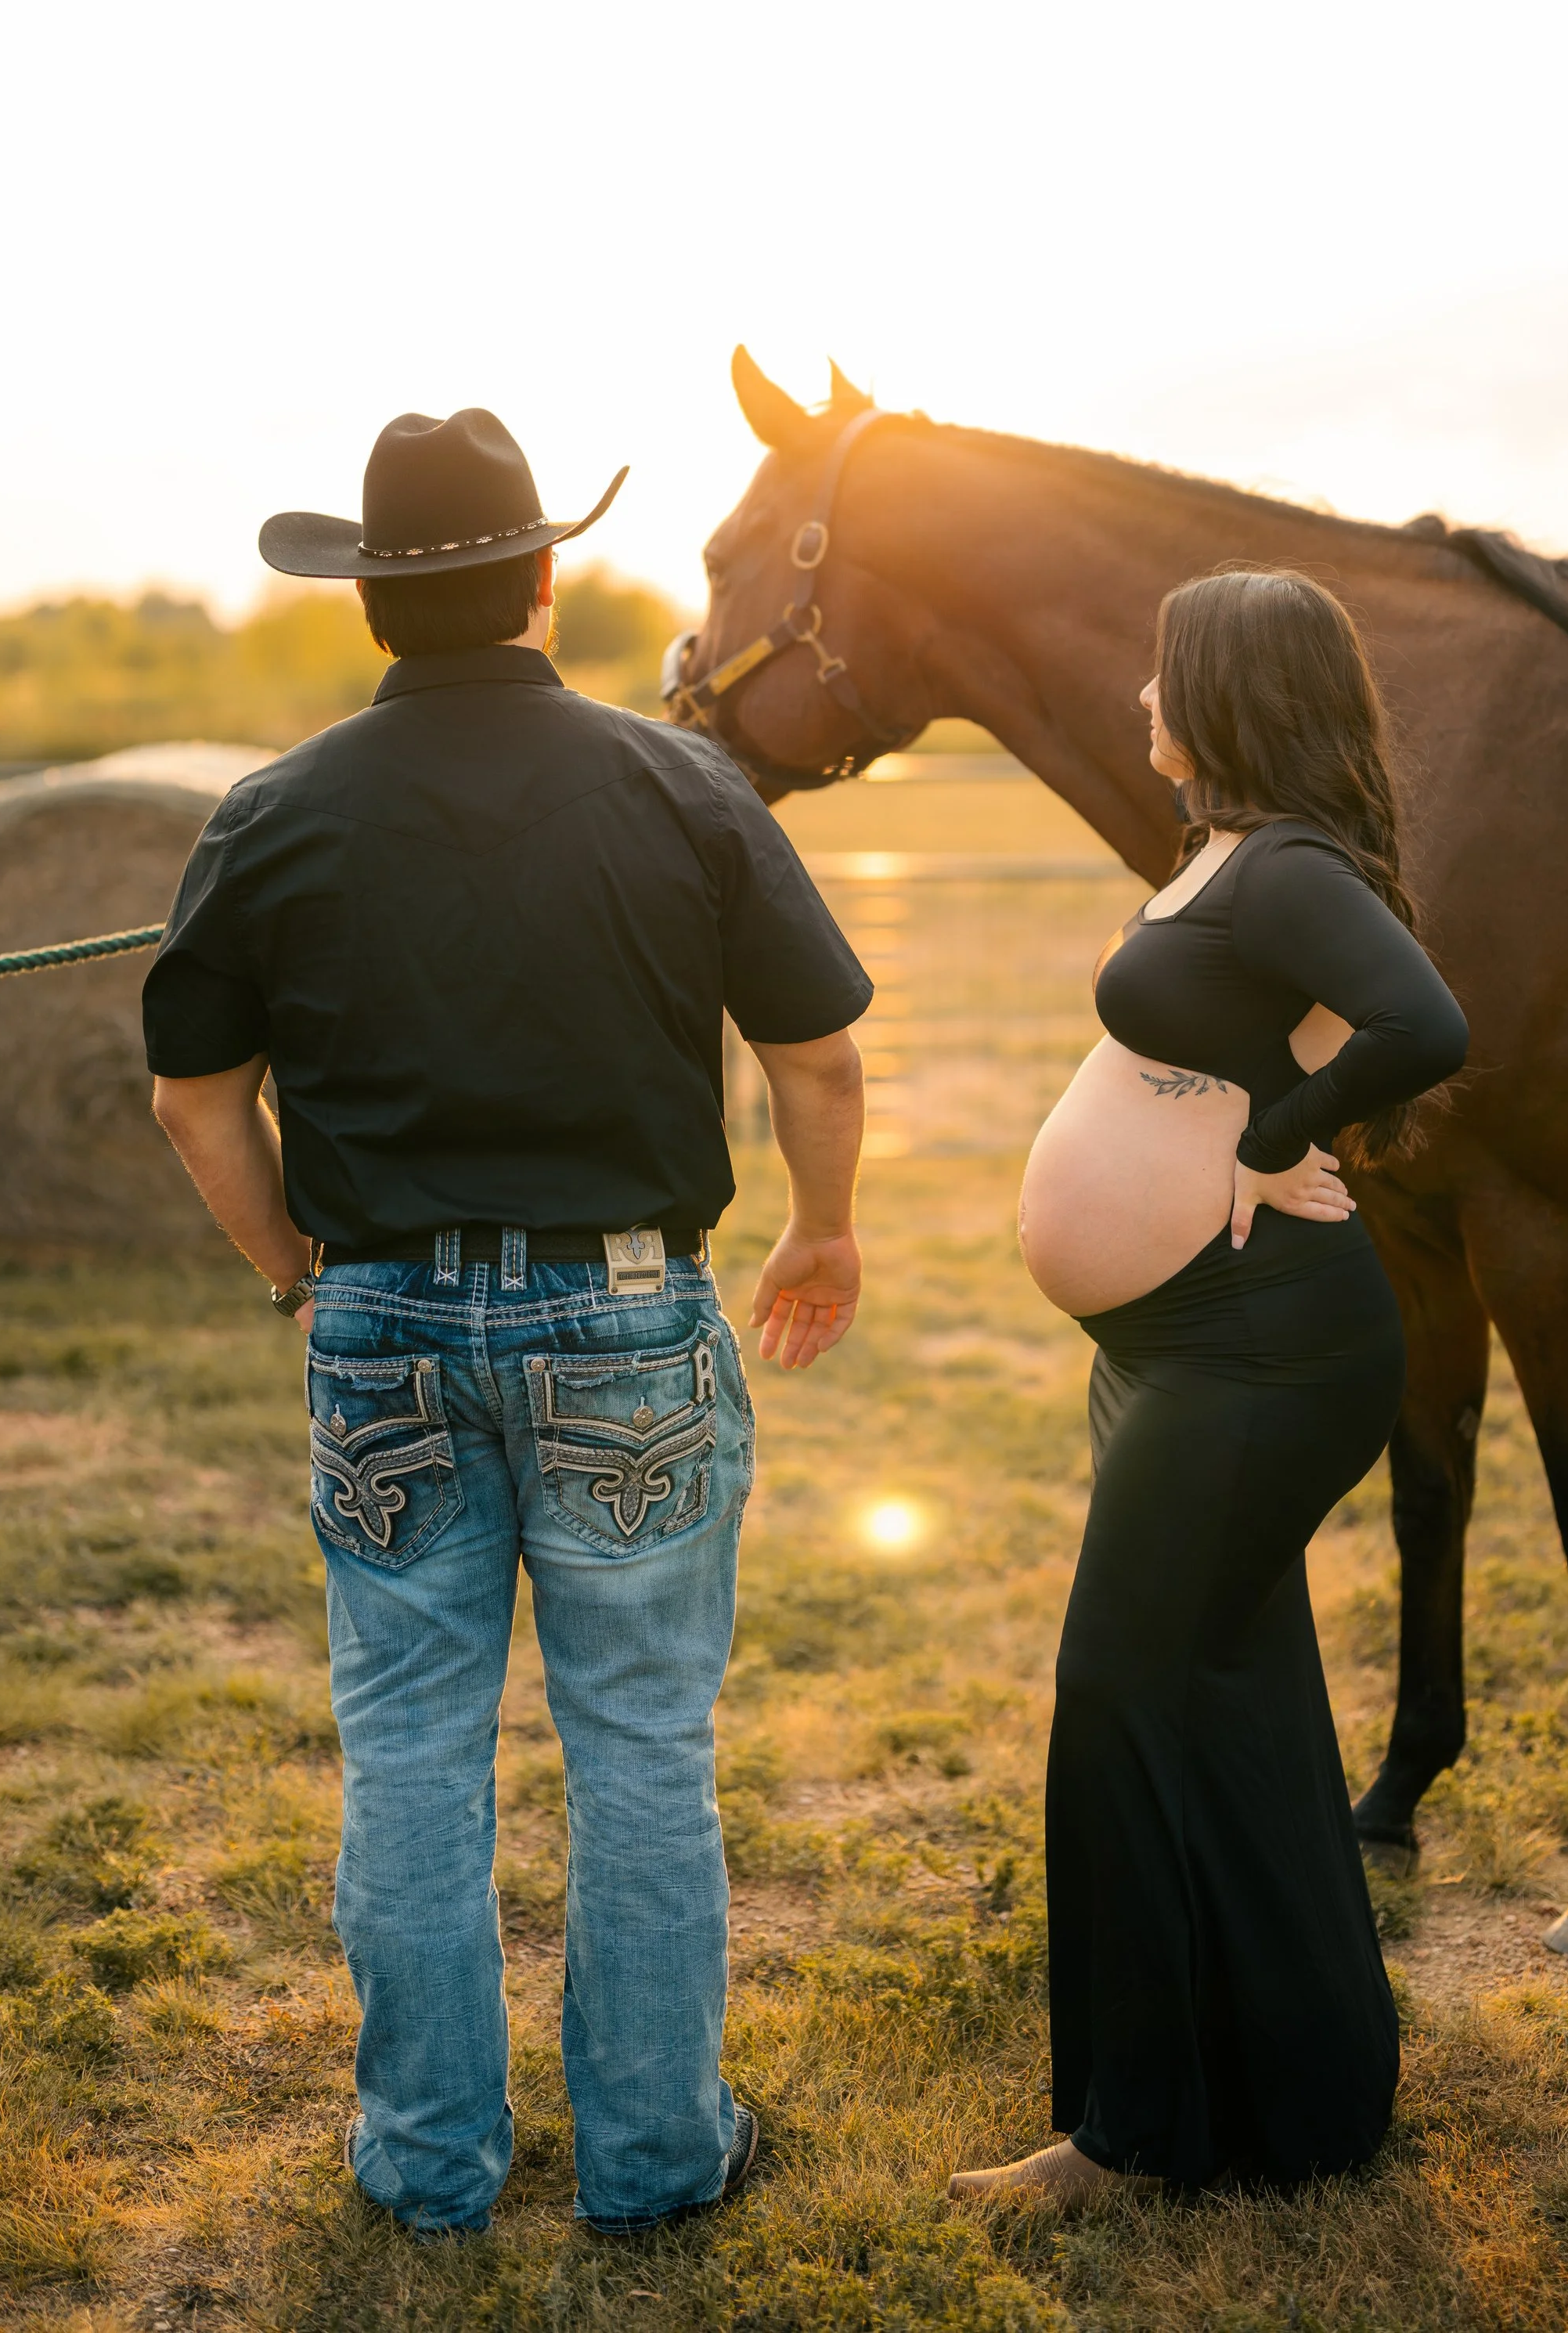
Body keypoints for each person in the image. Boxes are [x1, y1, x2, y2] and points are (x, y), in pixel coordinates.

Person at [143, 407, 871, 2238]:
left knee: (405, 1745)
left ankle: (428, 2162)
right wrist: (821, 1228)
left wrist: (300, 1280)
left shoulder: (273, 810)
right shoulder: (681, 788)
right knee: (638, 1744)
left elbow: (193, 1100)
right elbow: (817, 1052)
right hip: (623, 1310)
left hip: (380, 1320)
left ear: (375, 605)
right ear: (544, 580)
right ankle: (647, 2156)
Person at [951, 568, 1467, 2205]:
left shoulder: (1291, 868)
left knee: (1116, 1688)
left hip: (1262, 1350)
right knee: (1225, 1684)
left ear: (1228, 695)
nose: (1140, 702)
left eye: (1165, 677)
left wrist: (1271, 1137)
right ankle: (1302, 2091)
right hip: (1182, 1345)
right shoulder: (1226, 857)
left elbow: (1423, 1022)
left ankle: (1129, 2133)